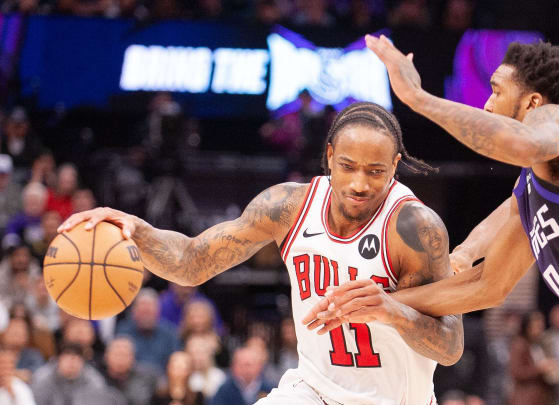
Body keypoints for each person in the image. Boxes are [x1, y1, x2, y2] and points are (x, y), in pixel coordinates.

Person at [304, 35, 559, 404]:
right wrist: (382, 302)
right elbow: (488, 286)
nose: (486, 104)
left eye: (495, 90)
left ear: (532, 101)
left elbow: (520, 142)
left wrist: (416, 97)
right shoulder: (536, 186)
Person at [58, 102, 464, 404]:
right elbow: (192, 262)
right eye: (348, 166)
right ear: (328, 158)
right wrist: (136, 229)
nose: (360, 183)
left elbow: (450, 346)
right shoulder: (287, 206)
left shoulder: (414, 228)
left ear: (394, 166)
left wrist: (391, 311)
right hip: (313, 392)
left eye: (375, 171)